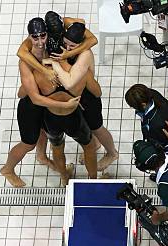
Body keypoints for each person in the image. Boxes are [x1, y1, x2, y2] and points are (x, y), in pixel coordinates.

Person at [1, 13, 99, 187]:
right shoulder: (79, 72)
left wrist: (42, 73)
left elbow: (23, 92)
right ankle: (8, 169)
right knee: (29, 142)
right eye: (35, 38)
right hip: (51, 109)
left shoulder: (37, 71)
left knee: (55, 144)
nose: (39, 41)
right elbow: (96, 92)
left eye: (43, 37)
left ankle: (63, 176)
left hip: (49, 116)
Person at [48, 22, 119, 171]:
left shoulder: (85, 54)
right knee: (86, 125)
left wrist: (54, 64)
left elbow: (69, 82)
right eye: (65, 44)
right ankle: (96, 144)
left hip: (89, 97)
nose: (67, 49)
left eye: (72, 47)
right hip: (76, 96)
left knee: (97, 127)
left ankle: (112, 153)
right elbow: (74, 21)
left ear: (80, 44)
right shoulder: (70, 48)